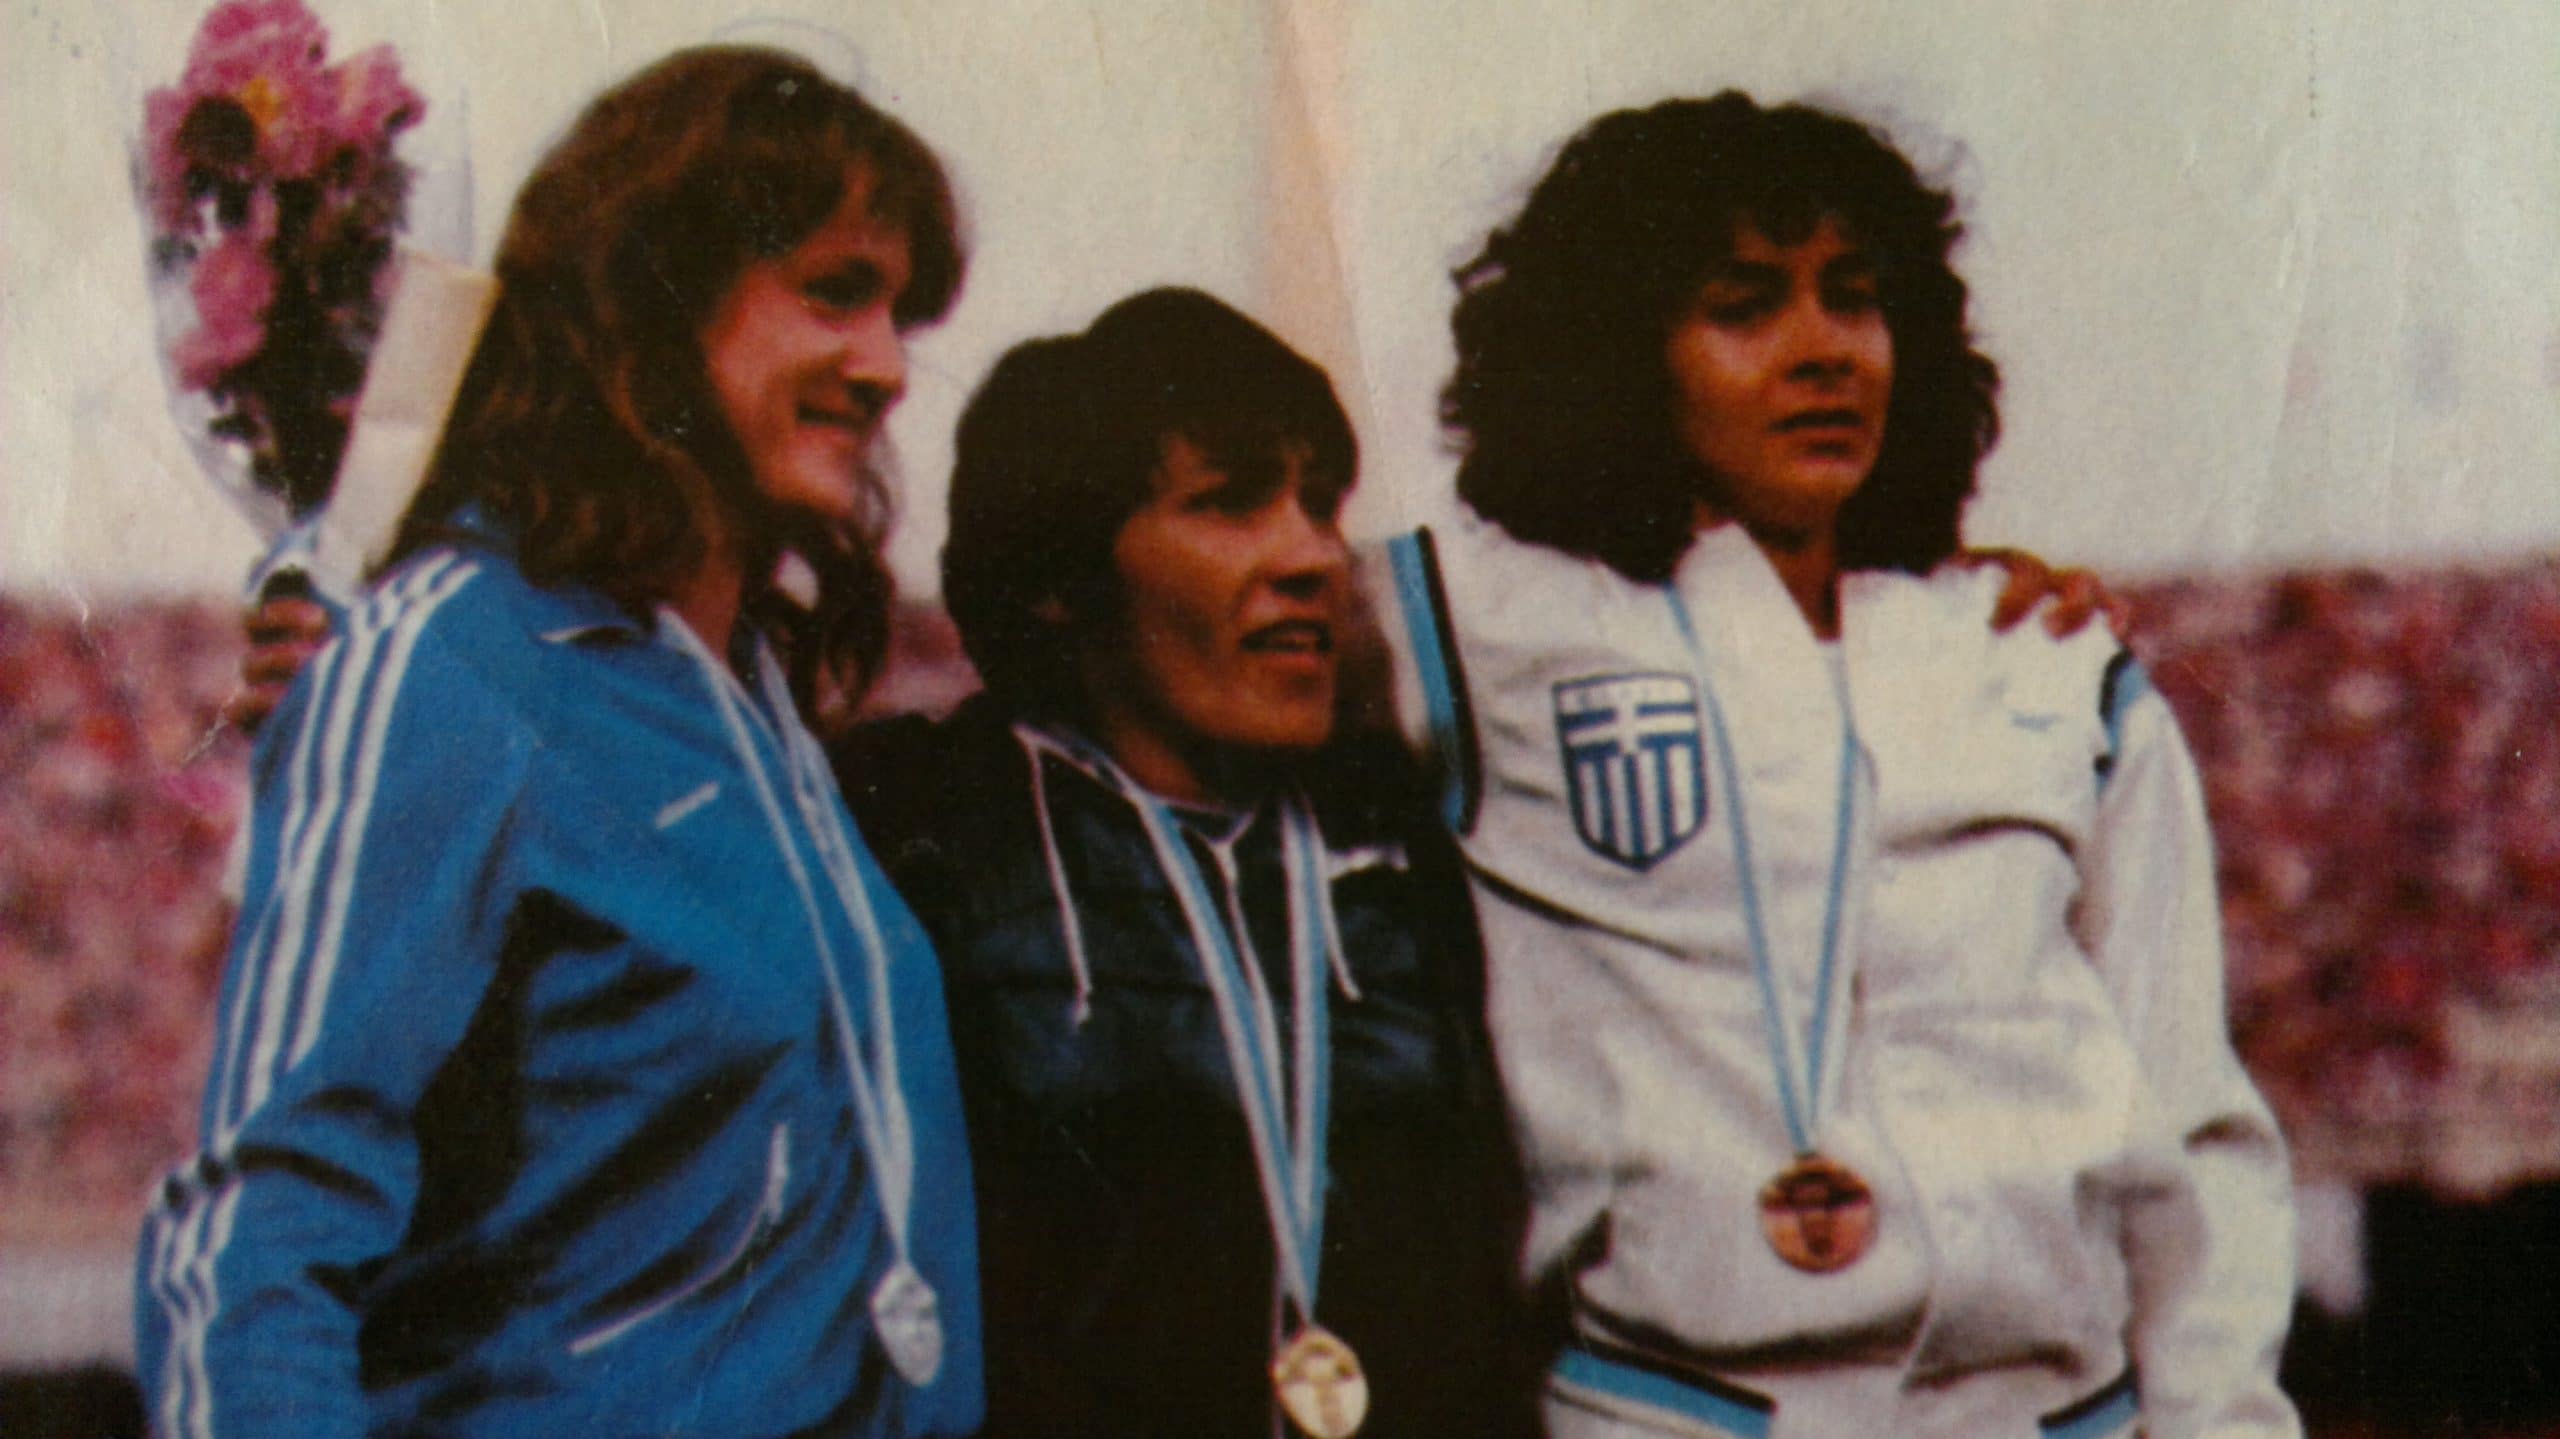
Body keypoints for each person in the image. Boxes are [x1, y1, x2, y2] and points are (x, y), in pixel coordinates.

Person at [1361, 93, 2300, 1437]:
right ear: (1615, 352)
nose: (1822, 352)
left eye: (1854, 299)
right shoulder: (1479, 626)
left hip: (2051, 1414)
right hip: (1673, 1409)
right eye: (1743, 307)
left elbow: (2192, 1122)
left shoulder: (2043, 657)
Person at [135, 47, 983, 1439]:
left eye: (901, 311)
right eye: (835, 293)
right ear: (659, 293)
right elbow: (256, 1234)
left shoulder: (748, 696)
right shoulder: (454, 660)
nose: (889, 367)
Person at [836, 288, 1540, 1438]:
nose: (1312, 554)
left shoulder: (1398, 841)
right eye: (1227, 502)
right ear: (1058, 574)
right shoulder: (922, 831)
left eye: (1319, 503)